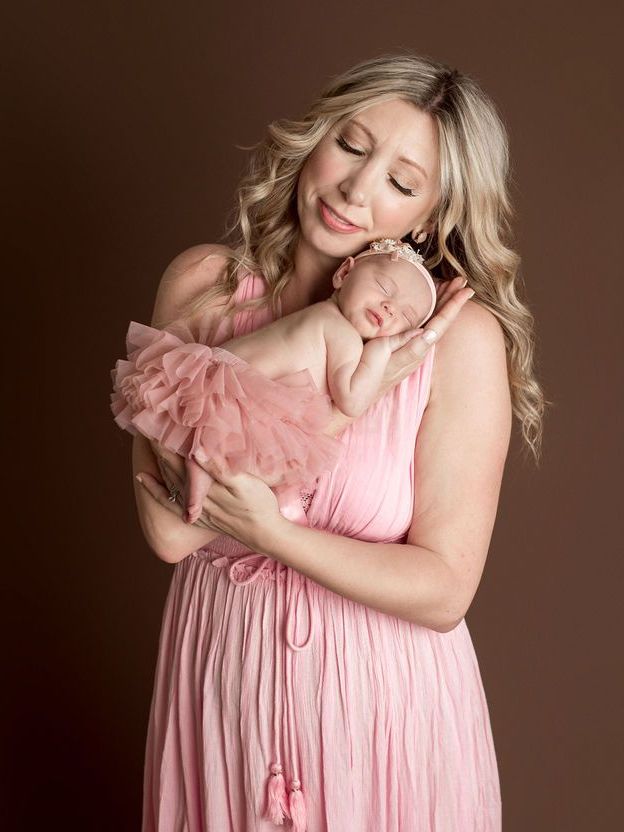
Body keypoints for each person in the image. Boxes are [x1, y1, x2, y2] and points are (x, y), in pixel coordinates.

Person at [127, 53, 544, 832]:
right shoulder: (202, 286)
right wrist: (340, 386)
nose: (358, 189)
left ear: (427, 216)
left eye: (401, 180)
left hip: (383, 714)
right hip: (225, 690)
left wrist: (270, 532)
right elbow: (169, 530)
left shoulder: (458, 343)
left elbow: (445, 588)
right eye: (352, 146)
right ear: (315, 140)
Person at [112, 238, 440, 526]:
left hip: (214, 378)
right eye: (384, 288)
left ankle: (202, 477)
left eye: (405, 317)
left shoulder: (322, 316)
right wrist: (384, 351)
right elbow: (351, 399)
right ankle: (212, 479)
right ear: (344, 273)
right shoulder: (340, 331)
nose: (389, 307)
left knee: (224, 447)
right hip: (234, 391)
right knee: (258, 456)